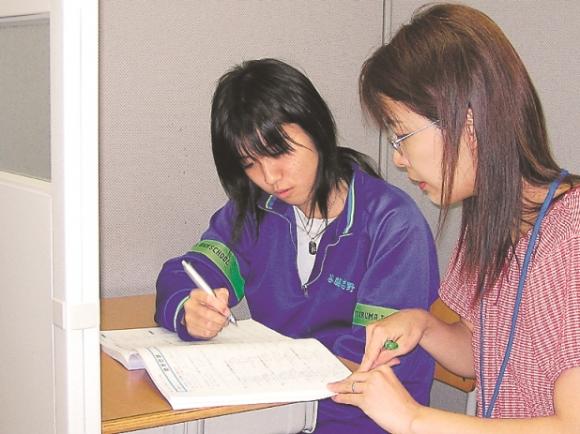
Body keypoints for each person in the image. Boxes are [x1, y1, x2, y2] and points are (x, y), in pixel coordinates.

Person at [328, 3, 580, 433]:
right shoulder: (492, 221)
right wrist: (423, 325)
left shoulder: (570, 239)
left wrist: (413, 418)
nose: (398, 158)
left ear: (467, 122)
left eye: (402, 134)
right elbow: (479, 353)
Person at [155, 58, 440, 433]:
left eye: (279, 152)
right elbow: (184, 274)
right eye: (250, 163)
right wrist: (187, 309)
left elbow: (370, 361)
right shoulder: (256, 212)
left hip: (364, 421)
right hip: (280, 413)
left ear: (316, 129)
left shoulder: (391, 224)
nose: (270, 177)